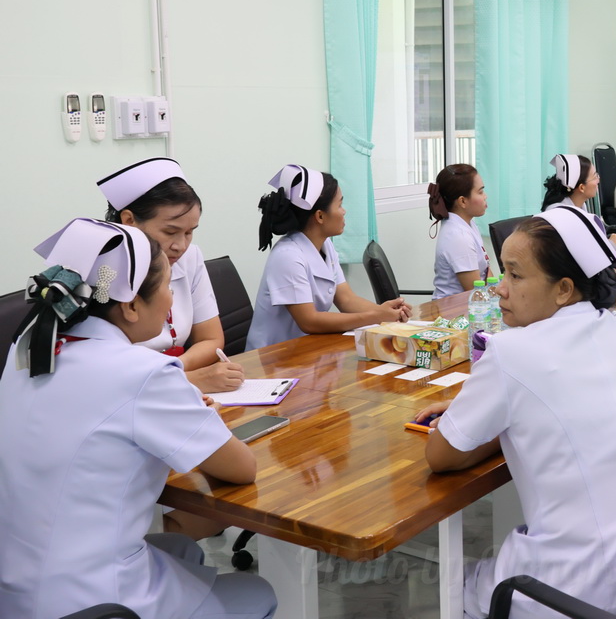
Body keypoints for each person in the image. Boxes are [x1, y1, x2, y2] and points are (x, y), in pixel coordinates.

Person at [0, 219, 276, 619]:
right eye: (167, 287)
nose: (171, 300)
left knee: (180, 549)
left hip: (16, 584)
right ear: (130, 306)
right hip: (91, 599)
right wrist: (196, 414)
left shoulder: (29, 348)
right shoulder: (142, 373)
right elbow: (241, 469)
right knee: (256, 592)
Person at [412, 205, 616, 619]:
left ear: (564, 289)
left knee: (453, 590)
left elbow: (441, 455)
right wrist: (504, 412)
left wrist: (493, 418)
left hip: (569, 587)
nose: (500, 288)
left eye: (515, 275)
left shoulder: (510, 353)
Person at [97, 157, 244, 394]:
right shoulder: (100, 270)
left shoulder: (190, 257)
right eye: (170, 232)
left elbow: (211, 339)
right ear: (129, 220)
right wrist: (184, 379)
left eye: (189, 232)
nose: (180, 246)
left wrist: (174, 373)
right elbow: (103, 368)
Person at [247, 164, 409, 350]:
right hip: (273, 357)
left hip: (306, 349)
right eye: (339, 205)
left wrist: (385, 311)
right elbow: (309, 321)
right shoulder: (287, 256)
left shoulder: (325, 245)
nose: (344, 211)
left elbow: (346, 299)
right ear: (320, 216)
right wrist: (375, 317)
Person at [429, 163, 491, 298]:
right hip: (454, 309)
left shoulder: (468, 223)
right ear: (462, 201)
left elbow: (487, 273)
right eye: (480, 192)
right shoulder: (458, 237)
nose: (485, 196)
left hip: (472, 303)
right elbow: (476, 293)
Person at [541, 153, 616, 249]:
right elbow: (582, 251)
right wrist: (611, 244)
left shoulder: (580, 206)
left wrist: (611, 243)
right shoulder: (560, 215)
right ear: (582, 187)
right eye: (595, 176)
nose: (598, 180)